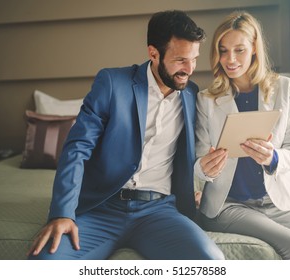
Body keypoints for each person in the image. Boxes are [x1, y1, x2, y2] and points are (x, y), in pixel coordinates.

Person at [28, 10, 224, 260]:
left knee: (212, 262)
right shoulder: (112, 83)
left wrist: (197, 184)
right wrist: (62, 213)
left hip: (159, 211)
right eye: (181, 60)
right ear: (153, 53)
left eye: (194, 59)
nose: (190, 69)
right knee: (45, 262)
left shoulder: (192, 94)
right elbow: (76, 149)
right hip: (102, 207)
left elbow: (199, 152)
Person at [194, 11, 290, 260]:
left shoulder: (285, 88)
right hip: (229, 206)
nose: (230, 59)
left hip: (277, 204)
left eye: (239, 50)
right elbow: (198, 162)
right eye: (223, 50)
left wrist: (273, 158)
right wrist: (206, 169)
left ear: (254, 49)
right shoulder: (206, 100)